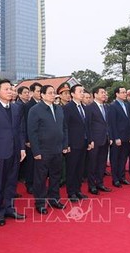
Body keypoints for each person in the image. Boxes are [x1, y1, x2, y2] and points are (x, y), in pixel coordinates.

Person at [0, 80, 27, 226]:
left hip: (15, 151)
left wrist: (22, 148)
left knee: (11, 183)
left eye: (11, 89)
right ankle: (0, 213)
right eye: (6, 89)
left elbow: (20, 130)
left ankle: (9, 208)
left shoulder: (16, 108)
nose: (10, 91)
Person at [27, 85, 68, 214]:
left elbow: (64, 128)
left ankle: (54, 199)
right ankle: (40, 203)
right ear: (42, 95)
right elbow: (32, 132)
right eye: (49, 93)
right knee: (40, 178)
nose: (52, 95)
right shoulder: (35, 110)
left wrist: (65, 145)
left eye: (53, 93)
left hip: (58, 149)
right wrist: (36, 151)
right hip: (43, 150)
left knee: (56, 176)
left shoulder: (59, 109)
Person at [63, 84, 90, 202]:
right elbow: (65, 127)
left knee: (80, 169)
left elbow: (87, 126)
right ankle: (71, 192)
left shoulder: (84, 107)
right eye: (80, 91)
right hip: (72, 144)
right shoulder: (68, 108)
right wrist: (66, 144)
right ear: (72, 94)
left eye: (83, 91)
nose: (82, 93)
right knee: (72, 169)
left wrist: (89, 141)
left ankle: (78, 190)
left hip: (83, 143)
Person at [86, 87, 112, 195]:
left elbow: (108, 124)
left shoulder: (106, 107)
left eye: (105, 92)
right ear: (95, 95)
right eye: (102, 92)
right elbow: (87, 125)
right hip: (94, 141)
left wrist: (110, 137)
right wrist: (90, 140)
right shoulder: (89, 107)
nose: (104, 94)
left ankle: (100, 183)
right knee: (93, 164)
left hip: (105, 139)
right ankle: (92, 186)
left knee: (102, 163)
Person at [108, 86, 130, 188]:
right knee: (115, 159)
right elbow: (112, 124)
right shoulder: (113, 106)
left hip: (126, 137)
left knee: (123, 159)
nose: (124, 94)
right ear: (117, 94)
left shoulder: (127, 105)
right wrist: (116, 137)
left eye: (125, 92)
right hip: (118, 138)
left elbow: (129, 122)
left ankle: (122, 177)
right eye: (122, 92)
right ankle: (115, 179)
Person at [23, 82, 42, 194]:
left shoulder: (44, 105)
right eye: (38, 91)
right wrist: (27, 140)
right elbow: (25, 124)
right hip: (31, 140)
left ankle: (38, 183)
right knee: (31, 163)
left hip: (43, 140)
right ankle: (29, 184)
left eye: (41, 91)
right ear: (32, 92)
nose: (40, 93)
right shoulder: (27, 106)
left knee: (40, 164)